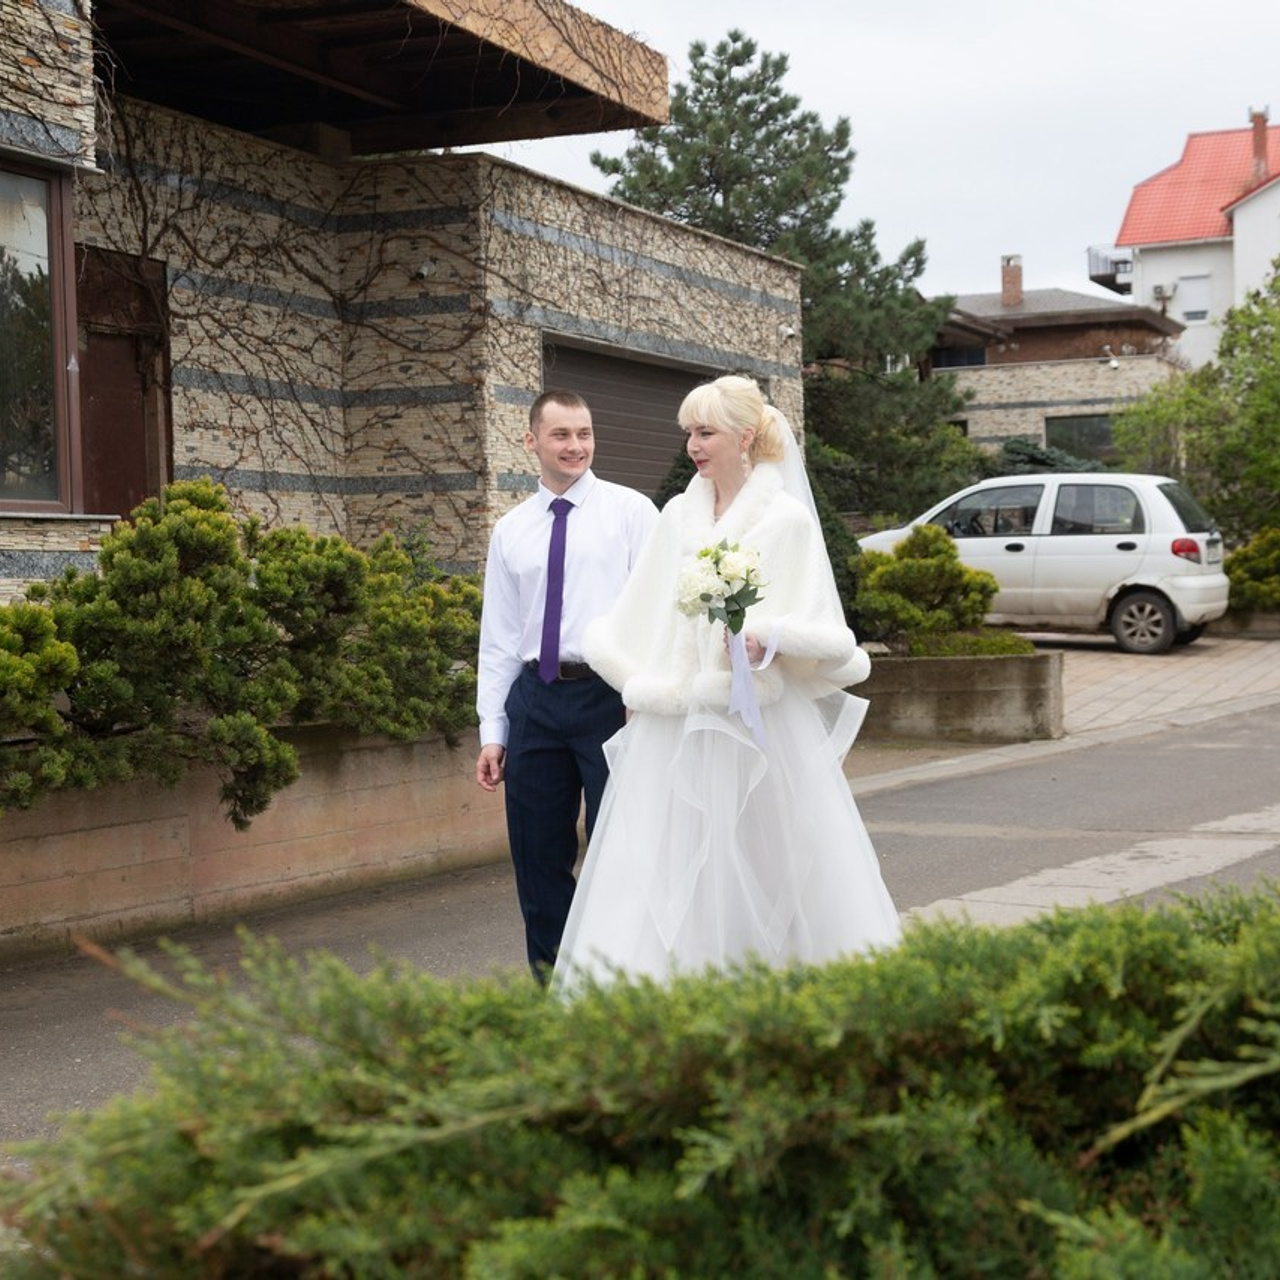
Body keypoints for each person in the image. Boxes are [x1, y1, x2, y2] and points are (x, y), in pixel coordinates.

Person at [552, 375, 901, 990]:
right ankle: (673, 992)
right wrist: (642, 682)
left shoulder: (786, 520)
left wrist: (768, 637)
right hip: (678, 719)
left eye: (705, 431)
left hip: (757, 723)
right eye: (688, 432)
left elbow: (820, 623)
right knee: (666, 864)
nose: (692, 444)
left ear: (744, 437)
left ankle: (772, 986)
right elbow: (647, 610)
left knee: (773, 860)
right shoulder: (676, 516)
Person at [476, 390, 659, 979]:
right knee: (537, 856)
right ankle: (553, 984)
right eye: (561, 435)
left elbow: (657, 614)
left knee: (620, 852)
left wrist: (642, 693)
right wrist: (492, 730)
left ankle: (618, 979)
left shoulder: (632, 513)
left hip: (612, 699)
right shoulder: (510, 531)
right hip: (534, 702)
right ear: (531, 441)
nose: (575, 446)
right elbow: (500, 638)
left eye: (584, 433)